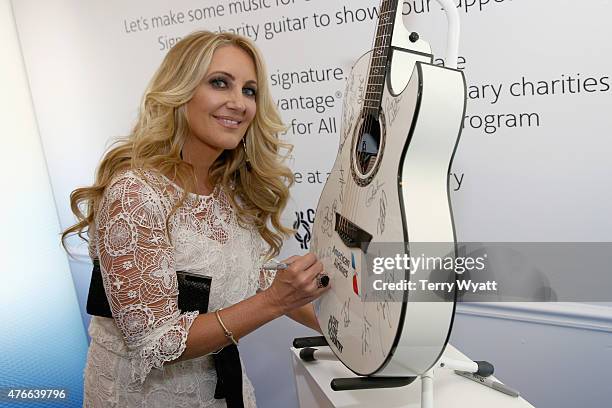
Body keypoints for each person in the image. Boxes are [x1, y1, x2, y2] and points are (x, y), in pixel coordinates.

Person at [62, 30, 329, 407]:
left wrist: (339, 326)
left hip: (225, 392)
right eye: (220, 83)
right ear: (181, 91)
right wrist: (275, 300)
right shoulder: (135, 193)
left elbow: (244, 275)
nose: (239, 103)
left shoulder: (230, 188)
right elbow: (156, 343)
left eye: (249, 91)